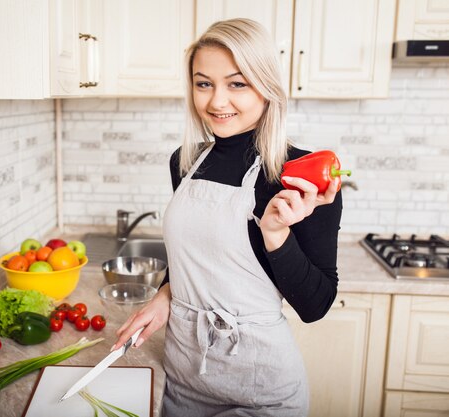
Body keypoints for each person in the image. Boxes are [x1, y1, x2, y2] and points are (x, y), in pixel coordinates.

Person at [112, 18, 343, 417]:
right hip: (183, 381)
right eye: (204, 84)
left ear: (266, 86)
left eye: (237, 83)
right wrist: (165, 296)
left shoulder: (298, 174)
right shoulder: (185, 162)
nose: (217, 102)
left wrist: (276, 234)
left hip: (262, 391)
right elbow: (197, 256)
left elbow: (315, 305)